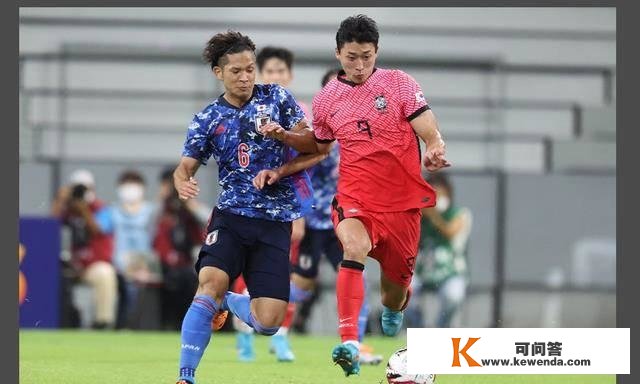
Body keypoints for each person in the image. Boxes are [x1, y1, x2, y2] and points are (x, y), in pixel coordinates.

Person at [259, 14, 450, 376]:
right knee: (352, 247)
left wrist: (435, 145)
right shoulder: (329, 98)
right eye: (351, 57)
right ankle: (349, 341)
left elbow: (426, 123)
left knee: (394, 294)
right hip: (355, 197)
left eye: (366, 56)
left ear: (376, 51)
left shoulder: (398, 84)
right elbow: (318, 144)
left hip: (403, 205)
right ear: (338, 54)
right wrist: (284, 135)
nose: (359, 65)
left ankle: (394, 307)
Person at [172, 30, 321, 384]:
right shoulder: (207, 118)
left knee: (268, 322)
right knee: (208, 284)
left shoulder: (278, 99)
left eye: (250, 69)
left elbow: (314, 145)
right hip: (231, 217)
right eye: (236, 71)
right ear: (218, 72)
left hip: (275, 221)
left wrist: (284, 136)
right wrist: (182, 180)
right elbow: (185, 167)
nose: (245, 77)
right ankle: (185, 376)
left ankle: (228, 301)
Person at [287, 67, 383, 365]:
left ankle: (356, 344)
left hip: (343, 219)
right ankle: (260, 313)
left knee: (356, 277)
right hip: (314, 219)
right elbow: (299, 173)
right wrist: (298, 214)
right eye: (336, 89)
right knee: (302, 287)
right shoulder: (316, 131)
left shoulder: (362, 129)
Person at [229, 45, 312, 363]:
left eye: (281, 71)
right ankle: (244, 336)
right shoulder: (243, 108)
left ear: (289, 75)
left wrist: (302, 209)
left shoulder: (301, 114)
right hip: (249, 200)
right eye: (270, 72)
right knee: (246, 267)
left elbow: (309, 163)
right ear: (260, 75)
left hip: (287, 203)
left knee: (284, 271)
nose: (276, 77)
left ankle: (281, 336)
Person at [51, 169, 117, 329]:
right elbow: (50, 226)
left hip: (91, 266)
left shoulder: (102, 209)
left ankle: (103, 322)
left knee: (105, 273)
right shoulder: (66, 210)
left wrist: (83, 209)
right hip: (68, 265)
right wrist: (60, 200)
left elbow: (98, 229)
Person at [94, 170, 160, 329]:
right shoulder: (110, 211)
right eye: (126, 184)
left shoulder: (152, 211)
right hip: (118, 265)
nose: (130, 189)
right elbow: (97, 229)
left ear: (143, 188)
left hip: (146, 265)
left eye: (134, 184)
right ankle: (119, 325)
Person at [412, 173, 472, 328]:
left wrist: (433, 215)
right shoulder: (420, 216)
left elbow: (450, 232)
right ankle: (417, 328)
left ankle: (441, 329)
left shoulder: (459, 213)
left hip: (450, 272)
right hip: (422, 270)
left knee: (453, 296)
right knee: (404, 292)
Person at [153, 168, 205, 331]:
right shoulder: (161, 210)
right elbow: (151, 231)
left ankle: (187, 323)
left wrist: (189, 204)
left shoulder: (189, 209)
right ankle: (168, 324)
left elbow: (207, 220)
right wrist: (162, 202)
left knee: (188, 278)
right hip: (164, 264)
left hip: (189, 263)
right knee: (173, 278)